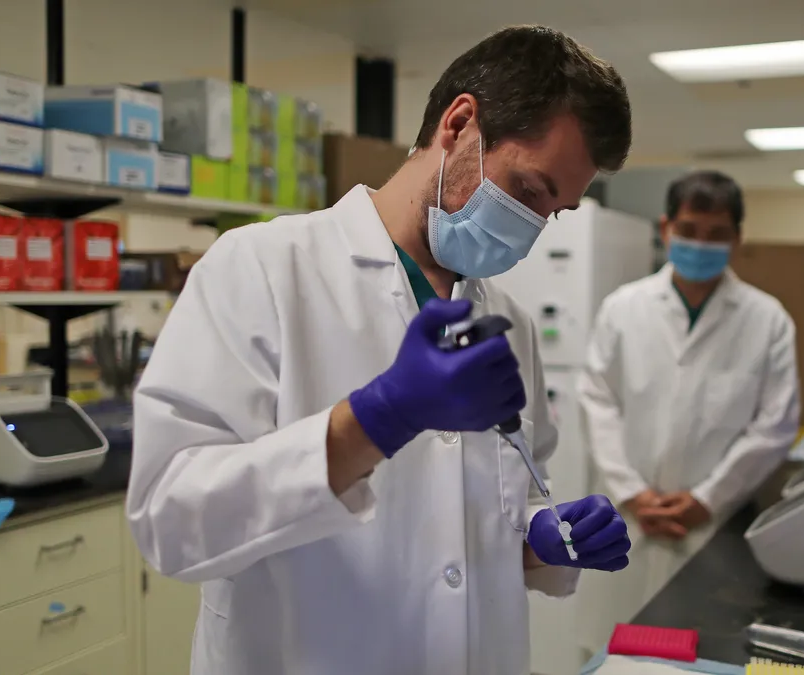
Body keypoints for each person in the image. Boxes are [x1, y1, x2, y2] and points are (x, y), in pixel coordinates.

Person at [127, 26, 633, 675]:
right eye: (530, 191)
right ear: (459, 124)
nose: (531, 228)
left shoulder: (507, 321)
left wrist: (541, 536)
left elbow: (489, 512)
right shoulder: (260, 269)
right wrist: (375, 418)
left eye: (554, 212)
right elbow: (172, 520)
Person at [575, 170, 801, 650]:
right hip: (627, 520)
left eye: (716, 235)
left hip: (709, 531)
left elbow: (776, 426)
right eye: (690, 230)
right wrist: (633, 493)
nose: (701, 244)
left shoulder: (767, 321)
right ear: (666, 229)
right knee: (614, 656)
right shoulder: (623, 309)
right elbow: (597, 401)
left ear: (737, 238)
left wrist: (707, 498)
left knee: (697, 657)